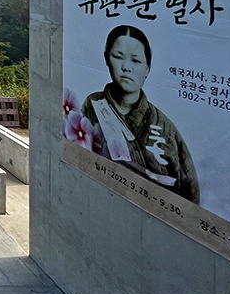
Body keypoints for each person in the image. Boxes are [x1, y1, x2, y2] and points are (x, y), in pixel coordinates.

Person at [81, 25, 200, 204]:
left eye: (136, 61)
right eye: (118, 57)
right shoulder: (94, 104)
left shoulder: (164, 127)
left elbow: (190, 192)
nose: (126, 67)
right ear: (107, 59)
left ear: (147, 69)